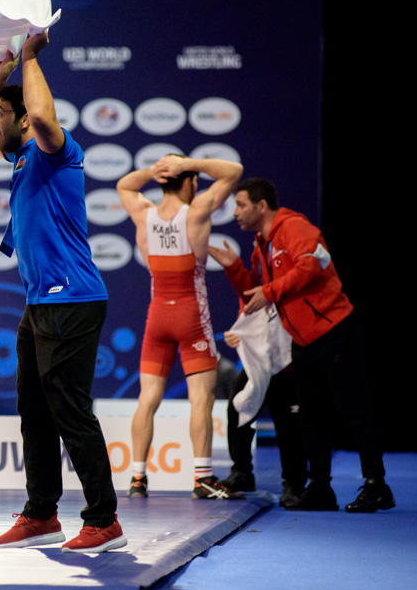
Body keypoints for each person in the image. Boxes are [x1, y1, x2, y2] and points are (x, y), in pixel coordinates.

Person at [0, 32, 125, 554]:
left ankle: (104, 520)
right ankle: (41, 514)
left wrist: (31, 57)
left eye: (2, 114)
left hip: (72, 300)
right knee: (35, 413)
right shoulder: (21, 158)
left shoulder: (56, 153)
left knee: (70, 412)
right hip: (41, 304)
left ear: (23, 121)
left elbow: (42, 116)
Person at [209, 178, 394, 512]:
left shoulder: (295, 227)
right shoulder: (261, 244)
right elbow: (257, 295)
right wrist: (234, 267)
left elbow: (311, 265)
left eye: (240, 205)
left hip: (334, 329)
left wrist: (270, 291)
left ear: (261, 205)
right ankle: (320, 487)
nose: (235, 212)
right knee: (310, 416)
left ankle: (376, 485)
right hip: (301, 339)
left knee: (353, 410)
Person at [116, 155, 244, 500]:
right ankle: (202, 479)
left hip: (157, 314)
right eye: (194, 180)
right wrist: (190, 163)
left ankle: (137, 479)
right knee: (201, 398)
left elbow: (124, 185)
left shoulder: (144, 213)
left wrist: (152, 172)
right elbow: (234, 171)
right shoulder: (196, 211)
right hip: (190, 316)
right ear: (188, 182)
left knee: (147, 398)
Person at [221, 321, 307, 508]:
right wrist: (238, 333)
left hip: (287, 363)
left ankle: (294, 483)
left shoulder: (283, 300)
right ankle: (241, 473)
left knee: (288, 422)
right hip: (257, 364)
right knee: (237, 408)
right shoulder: (252, 301)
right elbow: (248, 317)